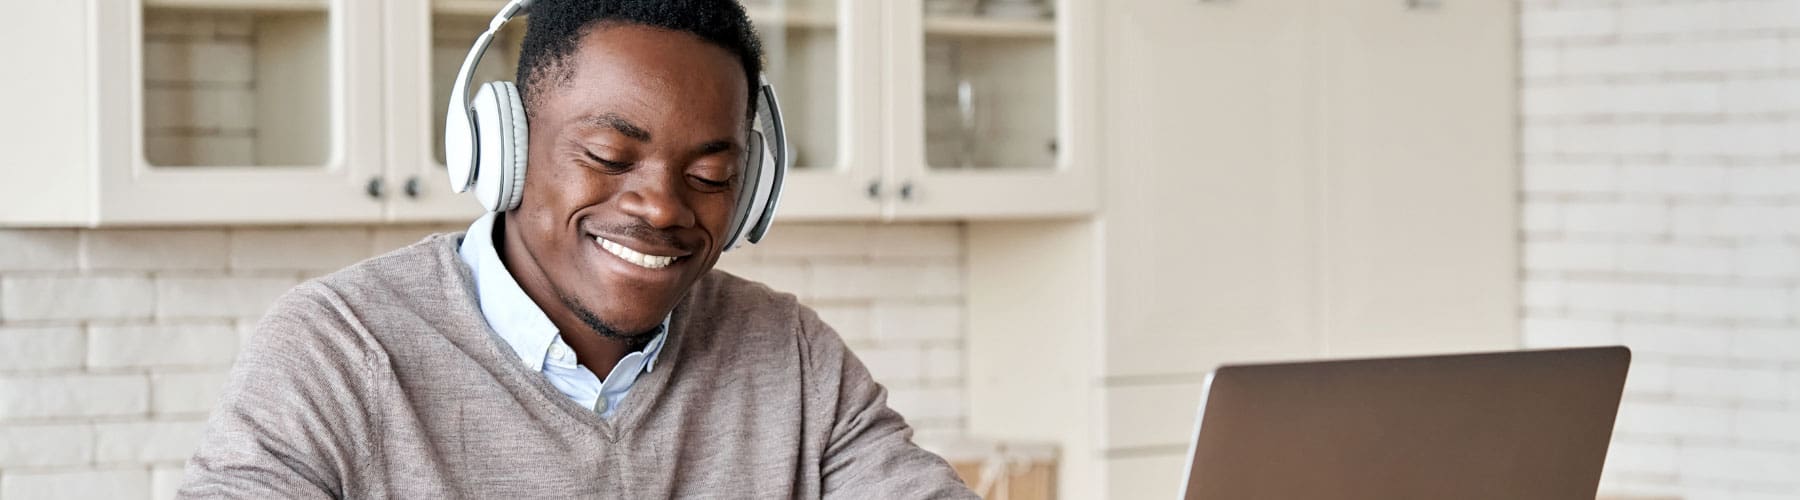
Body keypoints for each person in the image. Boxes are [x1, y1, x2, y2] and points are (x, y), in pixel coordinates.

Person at [177, 0, 977, 497]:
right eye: (606, 157)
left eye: (711, 172)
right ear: (504, 150)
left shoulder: (789, 356)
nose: (662, 206)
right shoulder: (339, 349)